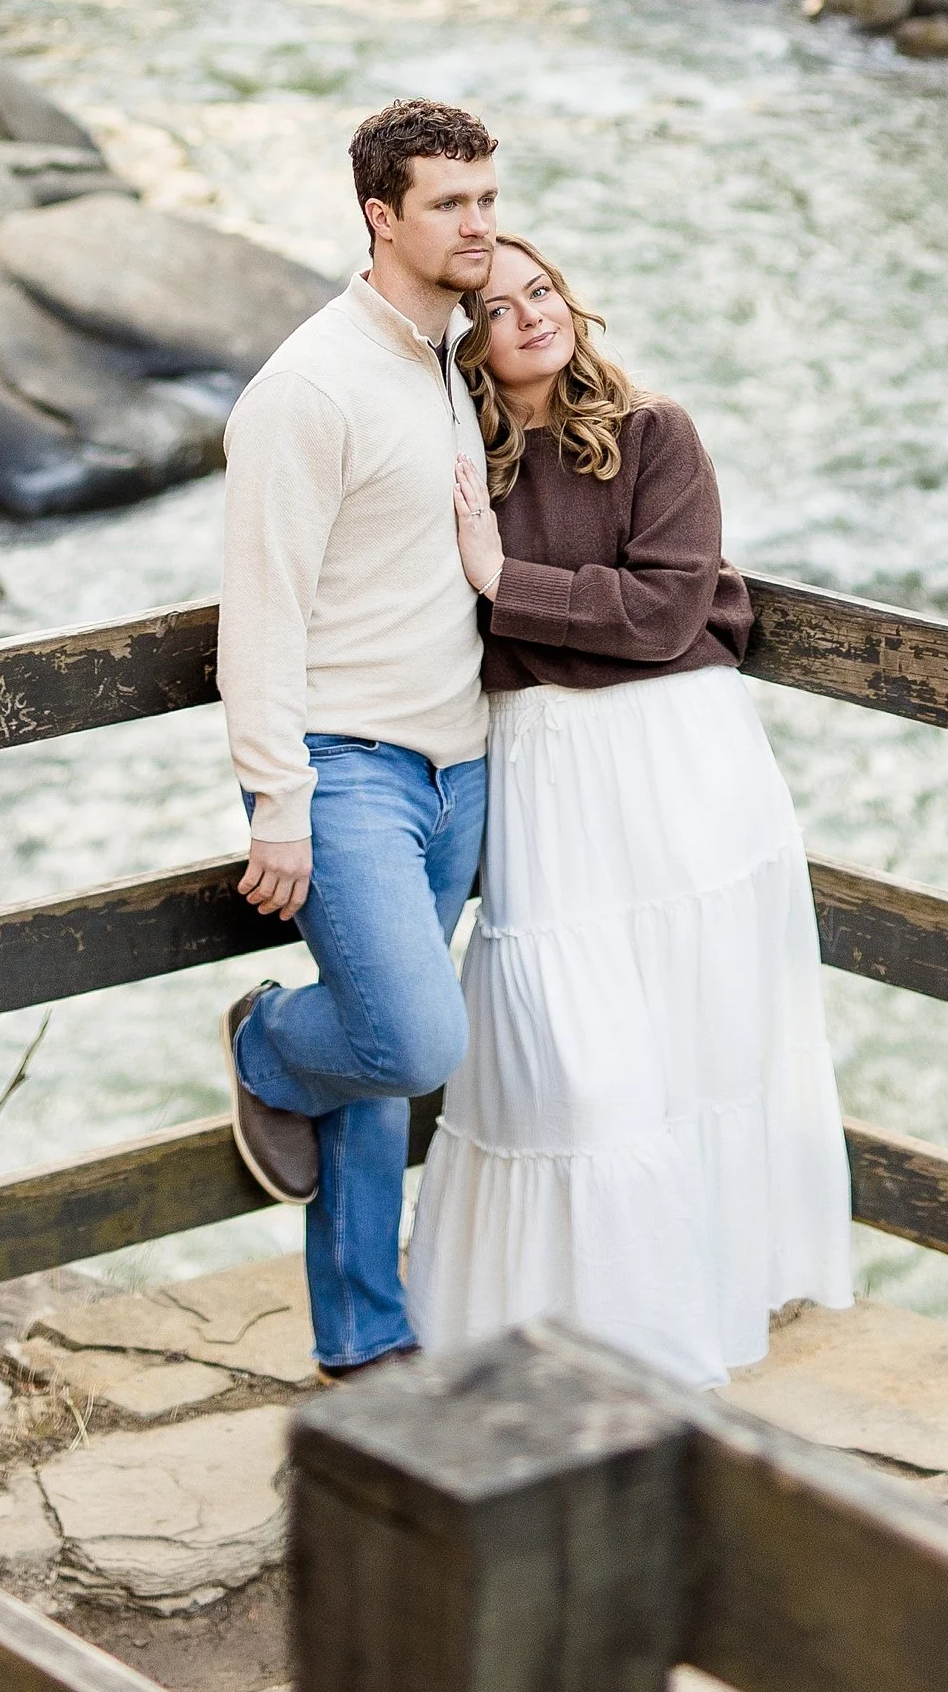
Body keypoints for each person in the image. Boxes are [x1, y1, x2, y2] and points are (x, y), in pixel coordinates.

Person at [405, 235, 851, 1387]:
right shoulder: (458, 461)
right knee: (570, 1065)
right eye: (498, 311)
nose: (531, 317)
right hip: (546, 779)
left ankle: (676, 1328)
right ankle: (561, 1330)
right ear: (467, 345)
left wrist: (506, 584)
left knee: (697, 1048)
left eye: (540, 290)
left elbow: (662, 616)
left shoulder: (656, 432)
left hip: (679, 767)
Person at [216, 96, 498, 1379]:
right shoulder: (309, 385)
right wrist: (276, 794)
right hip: (346, 771)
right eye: (450, 203)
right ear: (381, 217)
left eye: (487, 199)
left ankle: (363, 1338)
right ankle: (267, 1040)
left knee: (383, 1070)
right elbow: (262, 603)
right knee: (408, 1038)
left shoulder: (448, 358)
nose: (478, 225)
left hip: (460, 765)